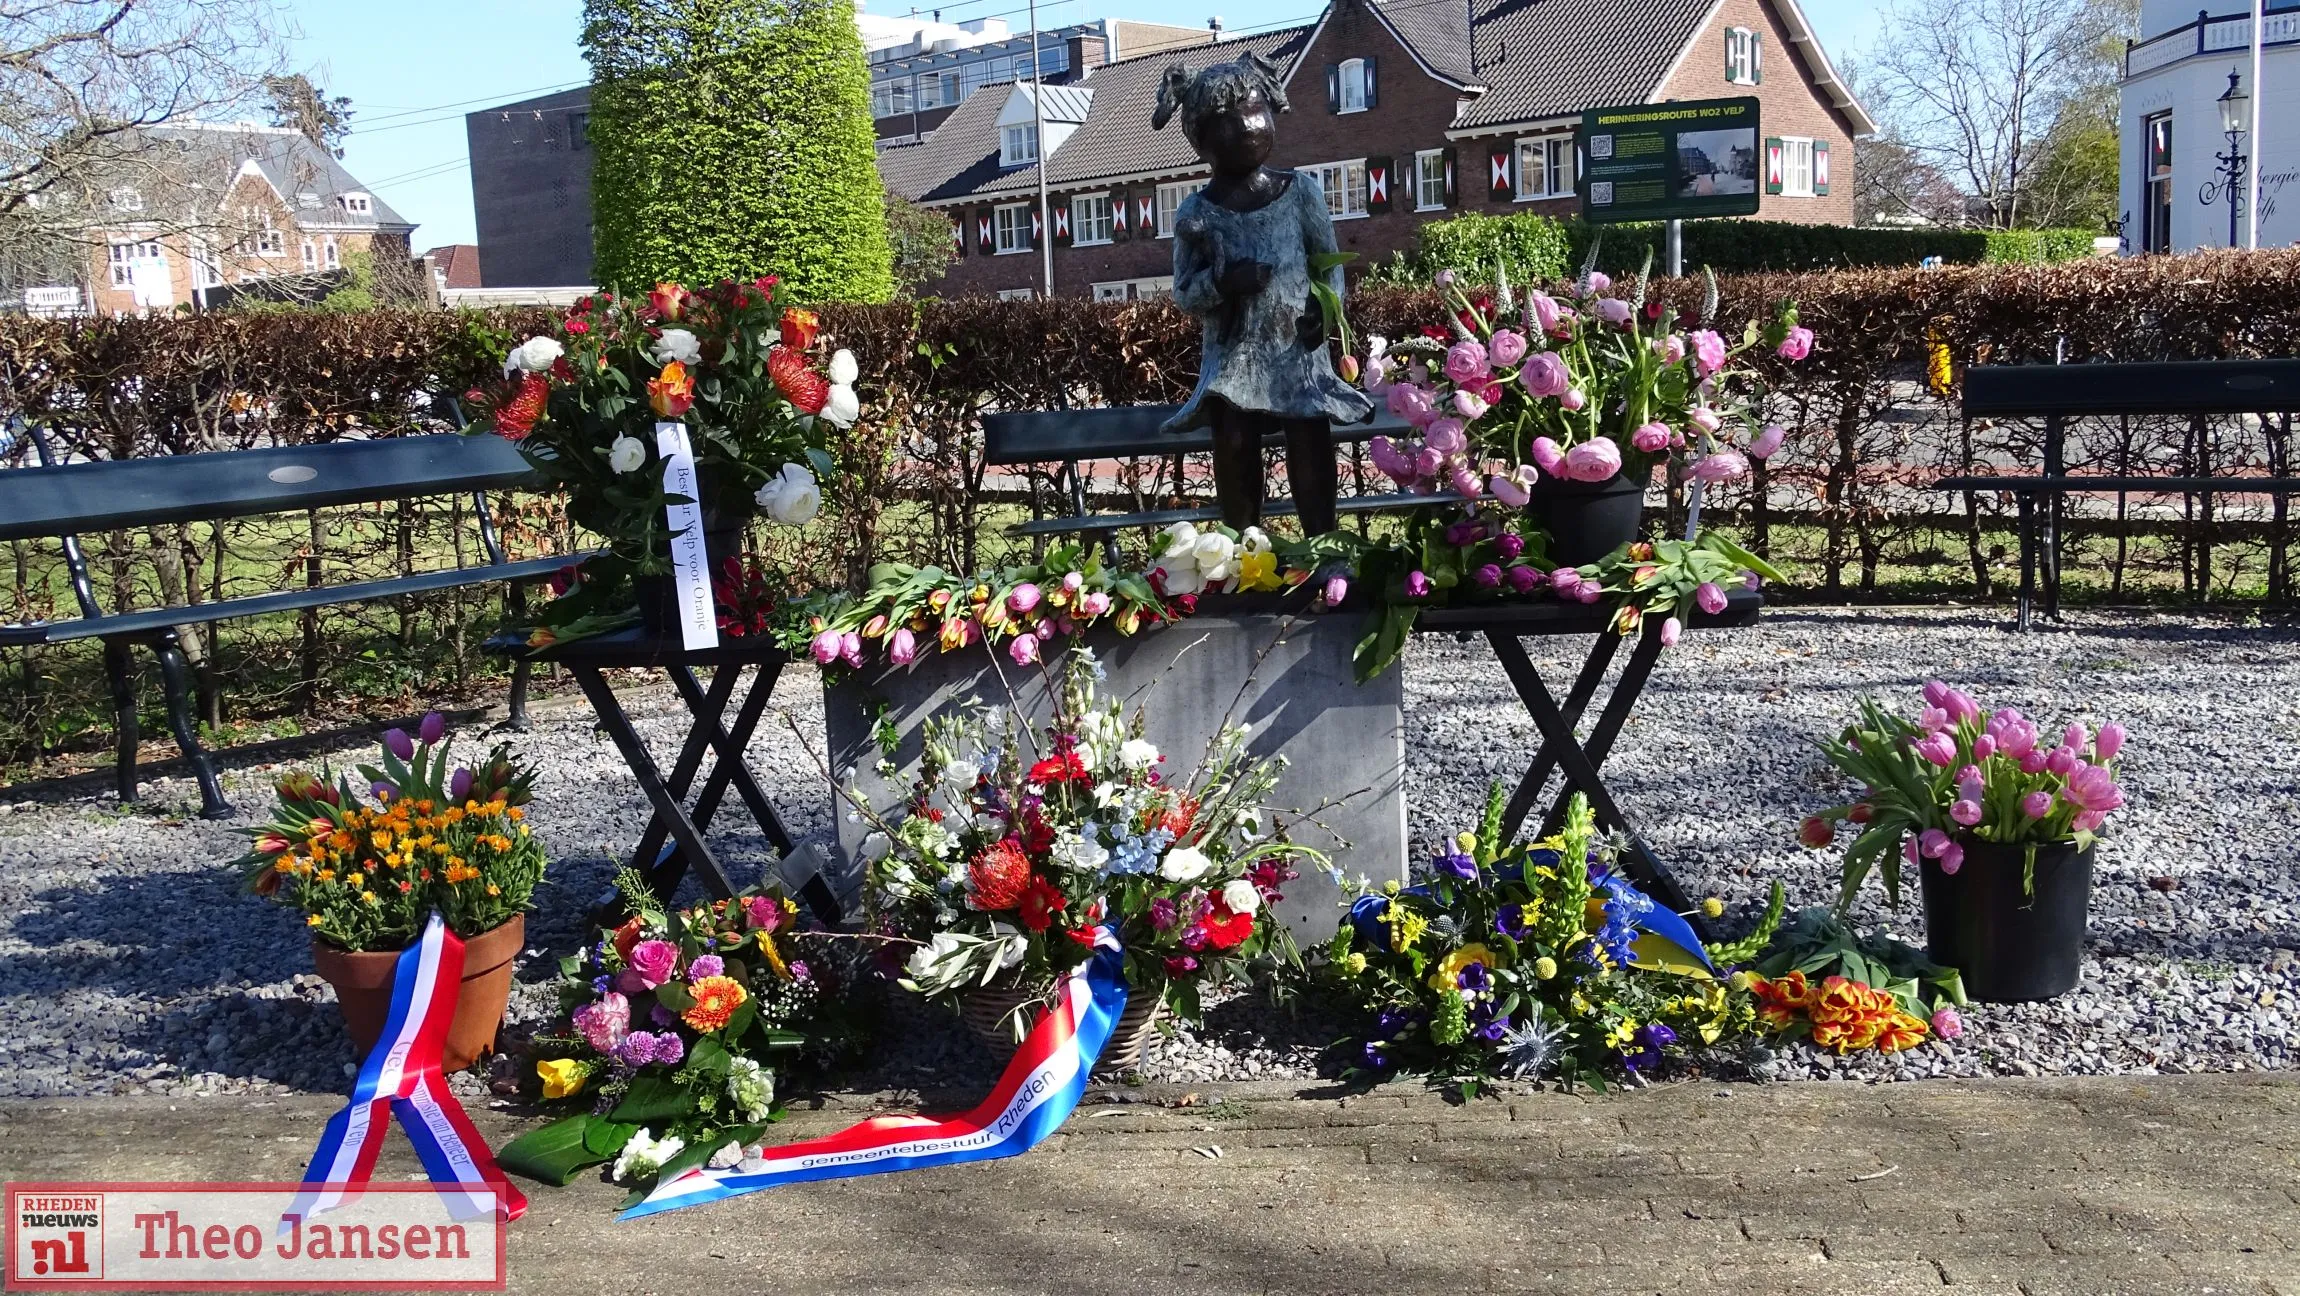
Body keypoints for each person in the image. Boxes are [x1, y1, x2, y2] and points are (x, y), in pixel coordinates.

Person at [1153, 52, 1372, 536]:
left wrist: (1326, 312)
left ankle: (1322, 544)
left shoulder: (1301, 193)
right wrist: (1223, 284)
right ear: (1201, 138)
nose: (1250, 125)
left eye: (1255, 109)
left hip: (1297, 350)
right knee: (1233, 442)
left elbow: (1329, 265)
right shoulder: (1197, 212)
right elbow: (1185, 293)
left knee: (1310, 439)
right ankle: (1240, 546)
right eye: (1230, 121)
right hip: (1233, 358)